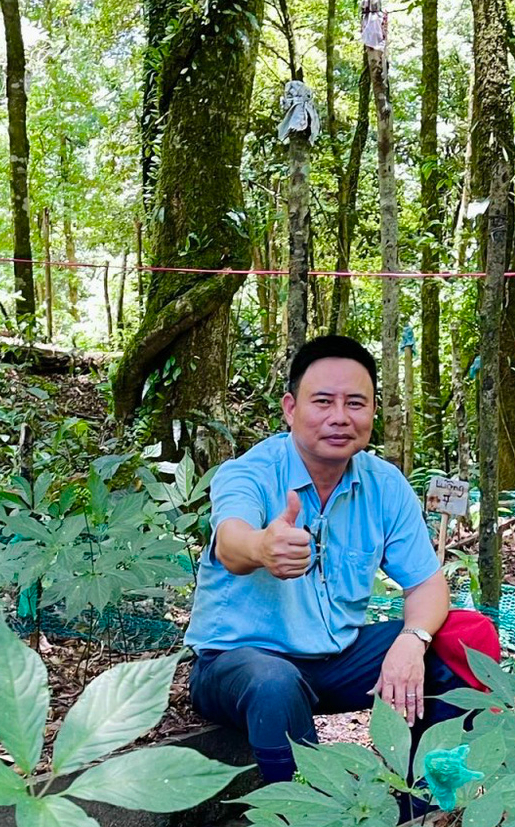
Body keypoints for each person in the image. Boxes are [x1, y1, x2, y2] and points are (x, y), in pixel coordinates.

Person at [184, 334, 463, 785]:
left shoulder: (384, 484)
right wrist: (261, 548)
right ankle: (306, 822)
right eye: (323, 401)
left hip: (336, 659)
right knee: (274, 682)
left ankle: (420, 799)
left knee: (457, 641)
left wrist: (413, 640)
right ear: (291, 408)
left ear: (373, 411)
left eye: (355, 403)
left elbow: (426, 583)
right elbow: (231, 542)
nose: (339, 417)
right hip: (239, 665)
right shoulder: (250, 472)